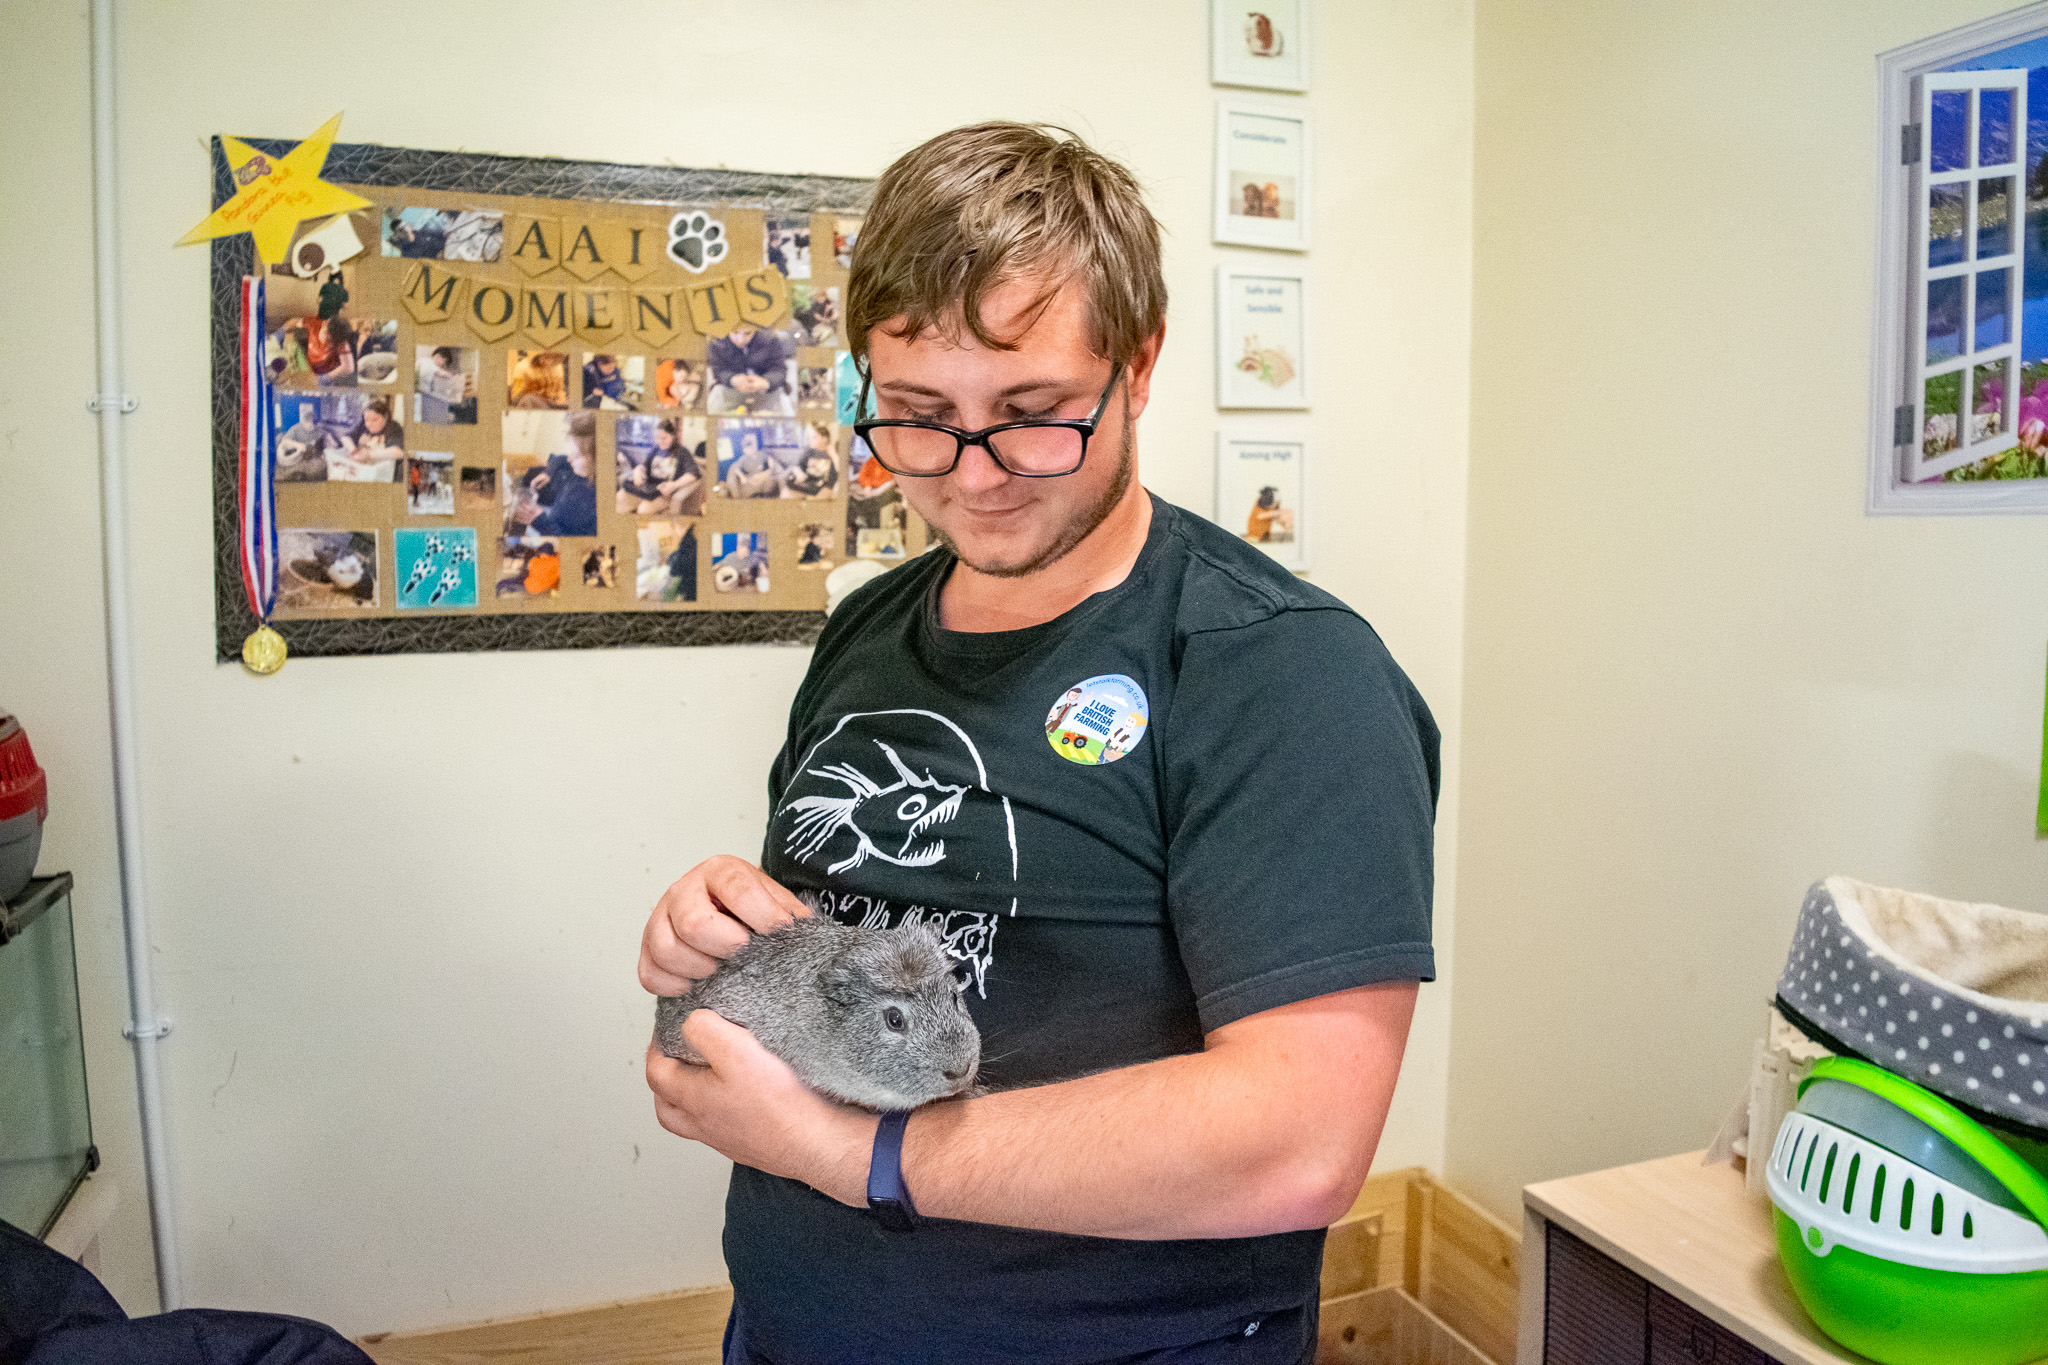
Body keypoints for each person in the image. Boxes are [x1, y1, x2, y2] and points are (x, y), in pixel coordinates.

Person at [637, 123, 1438, 1364]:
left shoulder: (1280, 669)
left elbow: (1295, 1142)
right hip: (791, 1327)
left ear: (1139, 364)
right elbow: (849, 946)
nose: (977, 475)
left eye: (1033, 413)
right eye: (916, 417)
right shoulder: (867, 628)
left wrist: (848, 1157)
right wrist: (725, 927)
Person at [529, 411, 599, 537]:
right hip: (551, 512)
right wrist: (548, 472)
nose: (569, 459)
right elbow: (559, 458)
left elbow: (570, 538)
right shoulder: (580, 469)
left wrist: (539, 520)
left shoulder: (594, 506)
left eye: (576, 456)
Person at [707, 323, 795, 414]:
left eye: (747, 333)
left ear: (756, 329)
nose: (740, 340)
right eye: (735, 332)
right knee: (717, 392)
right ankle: (711, 425)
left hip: (765, 390)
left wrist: (766, 381)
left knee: (782, 398)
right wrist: (732, 379)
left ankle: (789, 426)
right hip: (731, 389)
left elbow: (779, 370)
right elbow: (718, 370)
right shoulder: (716, 340)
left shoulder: (771, 338)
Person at [328, 397, 403, 482]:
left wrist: (368, 455)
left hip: (384, 475)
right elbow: (345, 437)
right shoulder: (363, 425)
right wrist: (353, 450)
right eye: (367, 420)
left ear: (385, 417)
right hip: (362, 473)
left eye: (375, 420)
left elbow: (399, 452)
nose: (369, 424)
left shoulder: (394, 427)